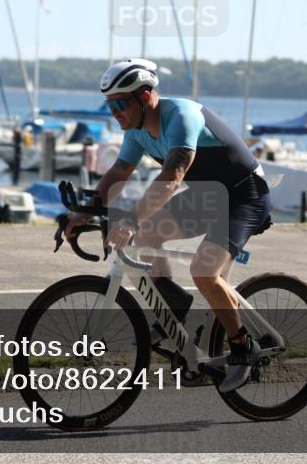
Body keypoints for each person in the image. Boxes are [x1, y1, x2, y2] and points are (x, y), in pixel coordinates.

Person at [65, 58, 272, 393]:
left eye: (120, 104)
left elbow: (172, 178)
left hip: (245, 196)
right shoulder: (137, 131)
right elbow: (119, 172)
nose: (114, 113)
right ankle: (173, 304)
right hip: (209, 195)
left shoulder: (182, 117)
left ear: (145, 97)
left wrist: (131, 218)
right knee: (147, 234)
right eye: (109, 106)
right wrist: (84, 214)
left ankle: (242, 346)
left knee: (204, 272)